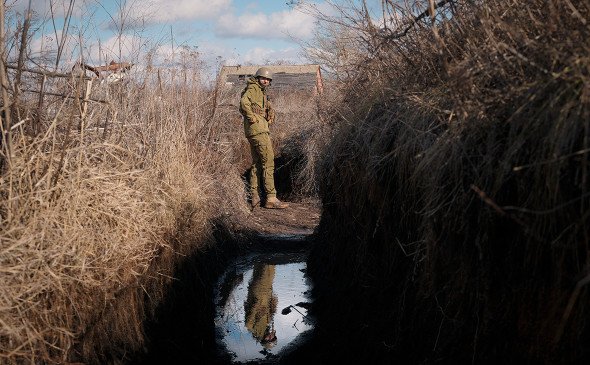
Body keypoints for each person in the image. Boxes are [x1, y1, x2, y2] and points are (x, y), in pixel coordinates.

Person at [239, 67, 289, 209]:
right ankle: (271, 198)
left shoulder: (260, 91)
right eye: (263, 78)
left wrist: (267, 113)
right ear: (258, 78)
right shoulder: (254, 88)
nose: (266, 81)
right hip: (258, 130)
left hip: (254, 130)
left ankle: (254, 196)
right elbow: (244, 103)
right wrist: (253, 118)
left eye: (268, 79)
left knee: (257, 163)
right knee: (269, 162)